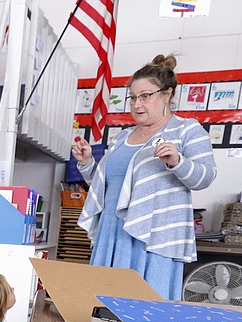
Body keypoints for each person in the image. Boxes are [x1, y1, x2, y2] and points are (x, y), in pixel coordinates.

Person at [71, 54, 217, 300]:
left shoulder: (187, 130)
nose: (137, 104)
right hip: (112, 233)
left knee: (147, 310)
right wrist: (87, 164)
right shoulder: (122, 137)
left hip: (153, 238)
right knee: (102, 308)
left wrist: (177, 162)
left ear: (166, 94)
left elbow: (206, 177)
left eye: (145, 96)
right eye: (133, 97)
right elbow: (111, 188)